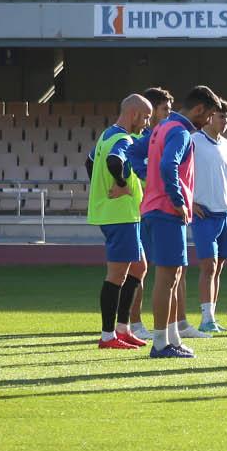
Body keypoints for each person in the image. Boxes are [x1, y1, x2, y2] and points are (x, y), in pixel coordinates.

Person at [141, 85, 221, 359]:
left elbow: (138, 155)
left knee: (173, 277)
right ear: (199, 110)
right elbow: (167, 166)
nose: (210, 121)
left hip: (154, 208)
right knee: (166, 278)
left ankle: (172, 338)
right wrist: (177, 199)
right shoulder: (181, 132)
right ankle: (161, 343)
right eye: (209, 115)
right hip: (166, 211)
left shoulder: (162, 127)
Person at [86, 93, 153, 350]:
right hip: (120, 215)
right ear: (135, 114)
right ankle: (107, 336)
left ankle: (123, 329)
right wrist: (122, 185)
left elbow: (90, 162)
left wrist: (101, 189)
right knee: (117, 276)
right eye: (145, 117)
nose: (146, 123)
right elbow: (115, 161)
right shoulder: (123, 139)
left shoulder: (106, 134)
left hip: (122, 214)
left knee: (139, 268)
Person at [126, 85, 173, 339]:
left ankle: (172, 324)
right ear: (152, 111)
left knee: (159, 268)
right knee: (138, 269)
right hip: (140, 213)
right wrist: (146, 176)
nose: (169, 113)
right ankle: (134, 322)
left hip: (156, 210)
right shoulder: (140, 141)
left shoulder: (164, 137)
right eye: (165, 109)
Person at [192, 99, 227, 334]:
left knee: (218, 268)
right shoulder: (193, 141)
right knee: (208, 265)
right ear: (210, 116)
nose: (225, 121)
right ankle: (204, 318)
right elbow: (181, 173)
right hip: (204, 213)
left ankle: (212, 316)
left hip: (225, 212)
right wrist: (189, 201)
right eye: (221, 116)